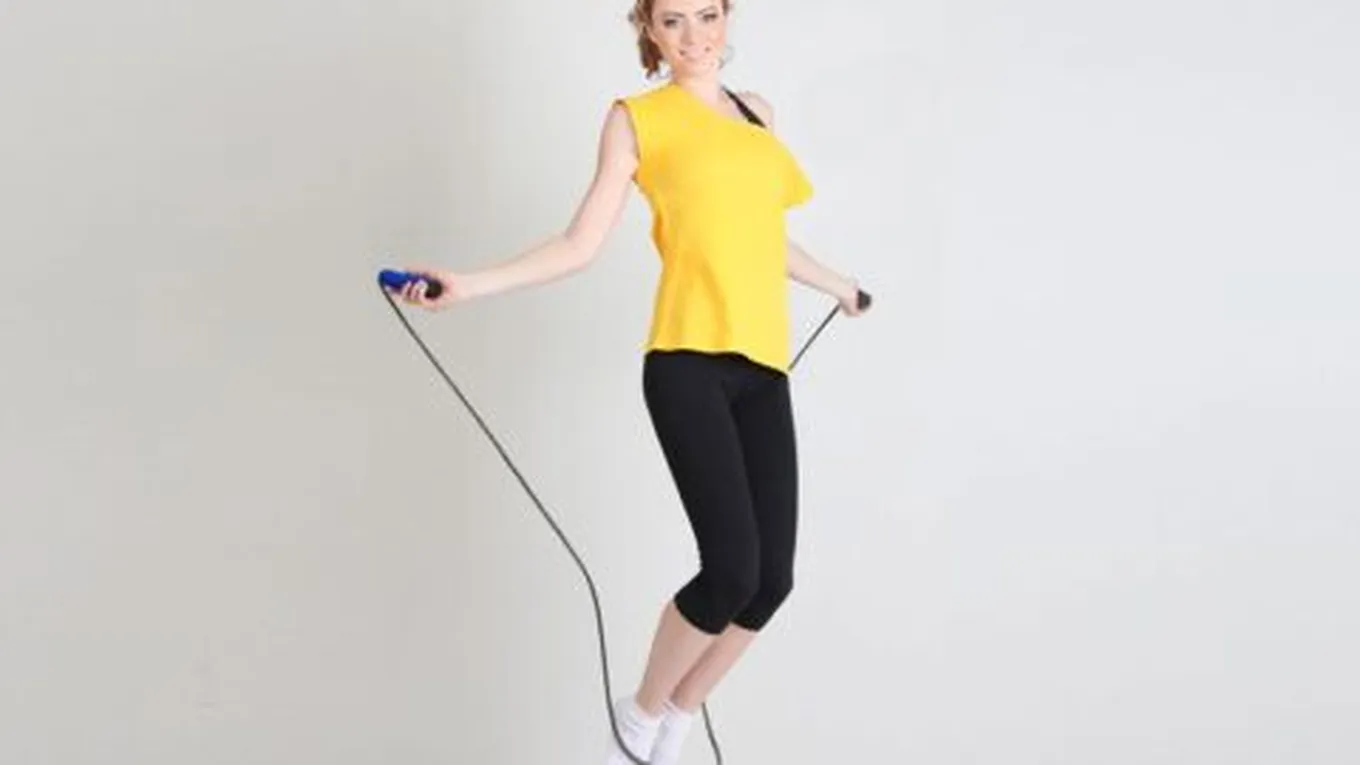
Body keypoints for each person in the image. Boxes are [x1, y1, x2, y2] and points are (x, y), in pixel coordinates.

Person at [390, 0, 868, 761]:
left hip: (762, 368)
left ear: (727, 14)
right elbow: (578, 244)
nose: (695, 37)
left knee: (770, 581)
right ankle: (638, 721)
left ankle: (675, 718)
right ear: (647, 28)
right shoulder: (635, 120)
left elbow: (763, 238)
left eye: (707, 15)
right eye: (673, 21)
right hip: (686, 364)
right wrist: (469, 285)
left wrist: (839, 285)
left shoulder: (758, 114)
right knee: (730, 571)